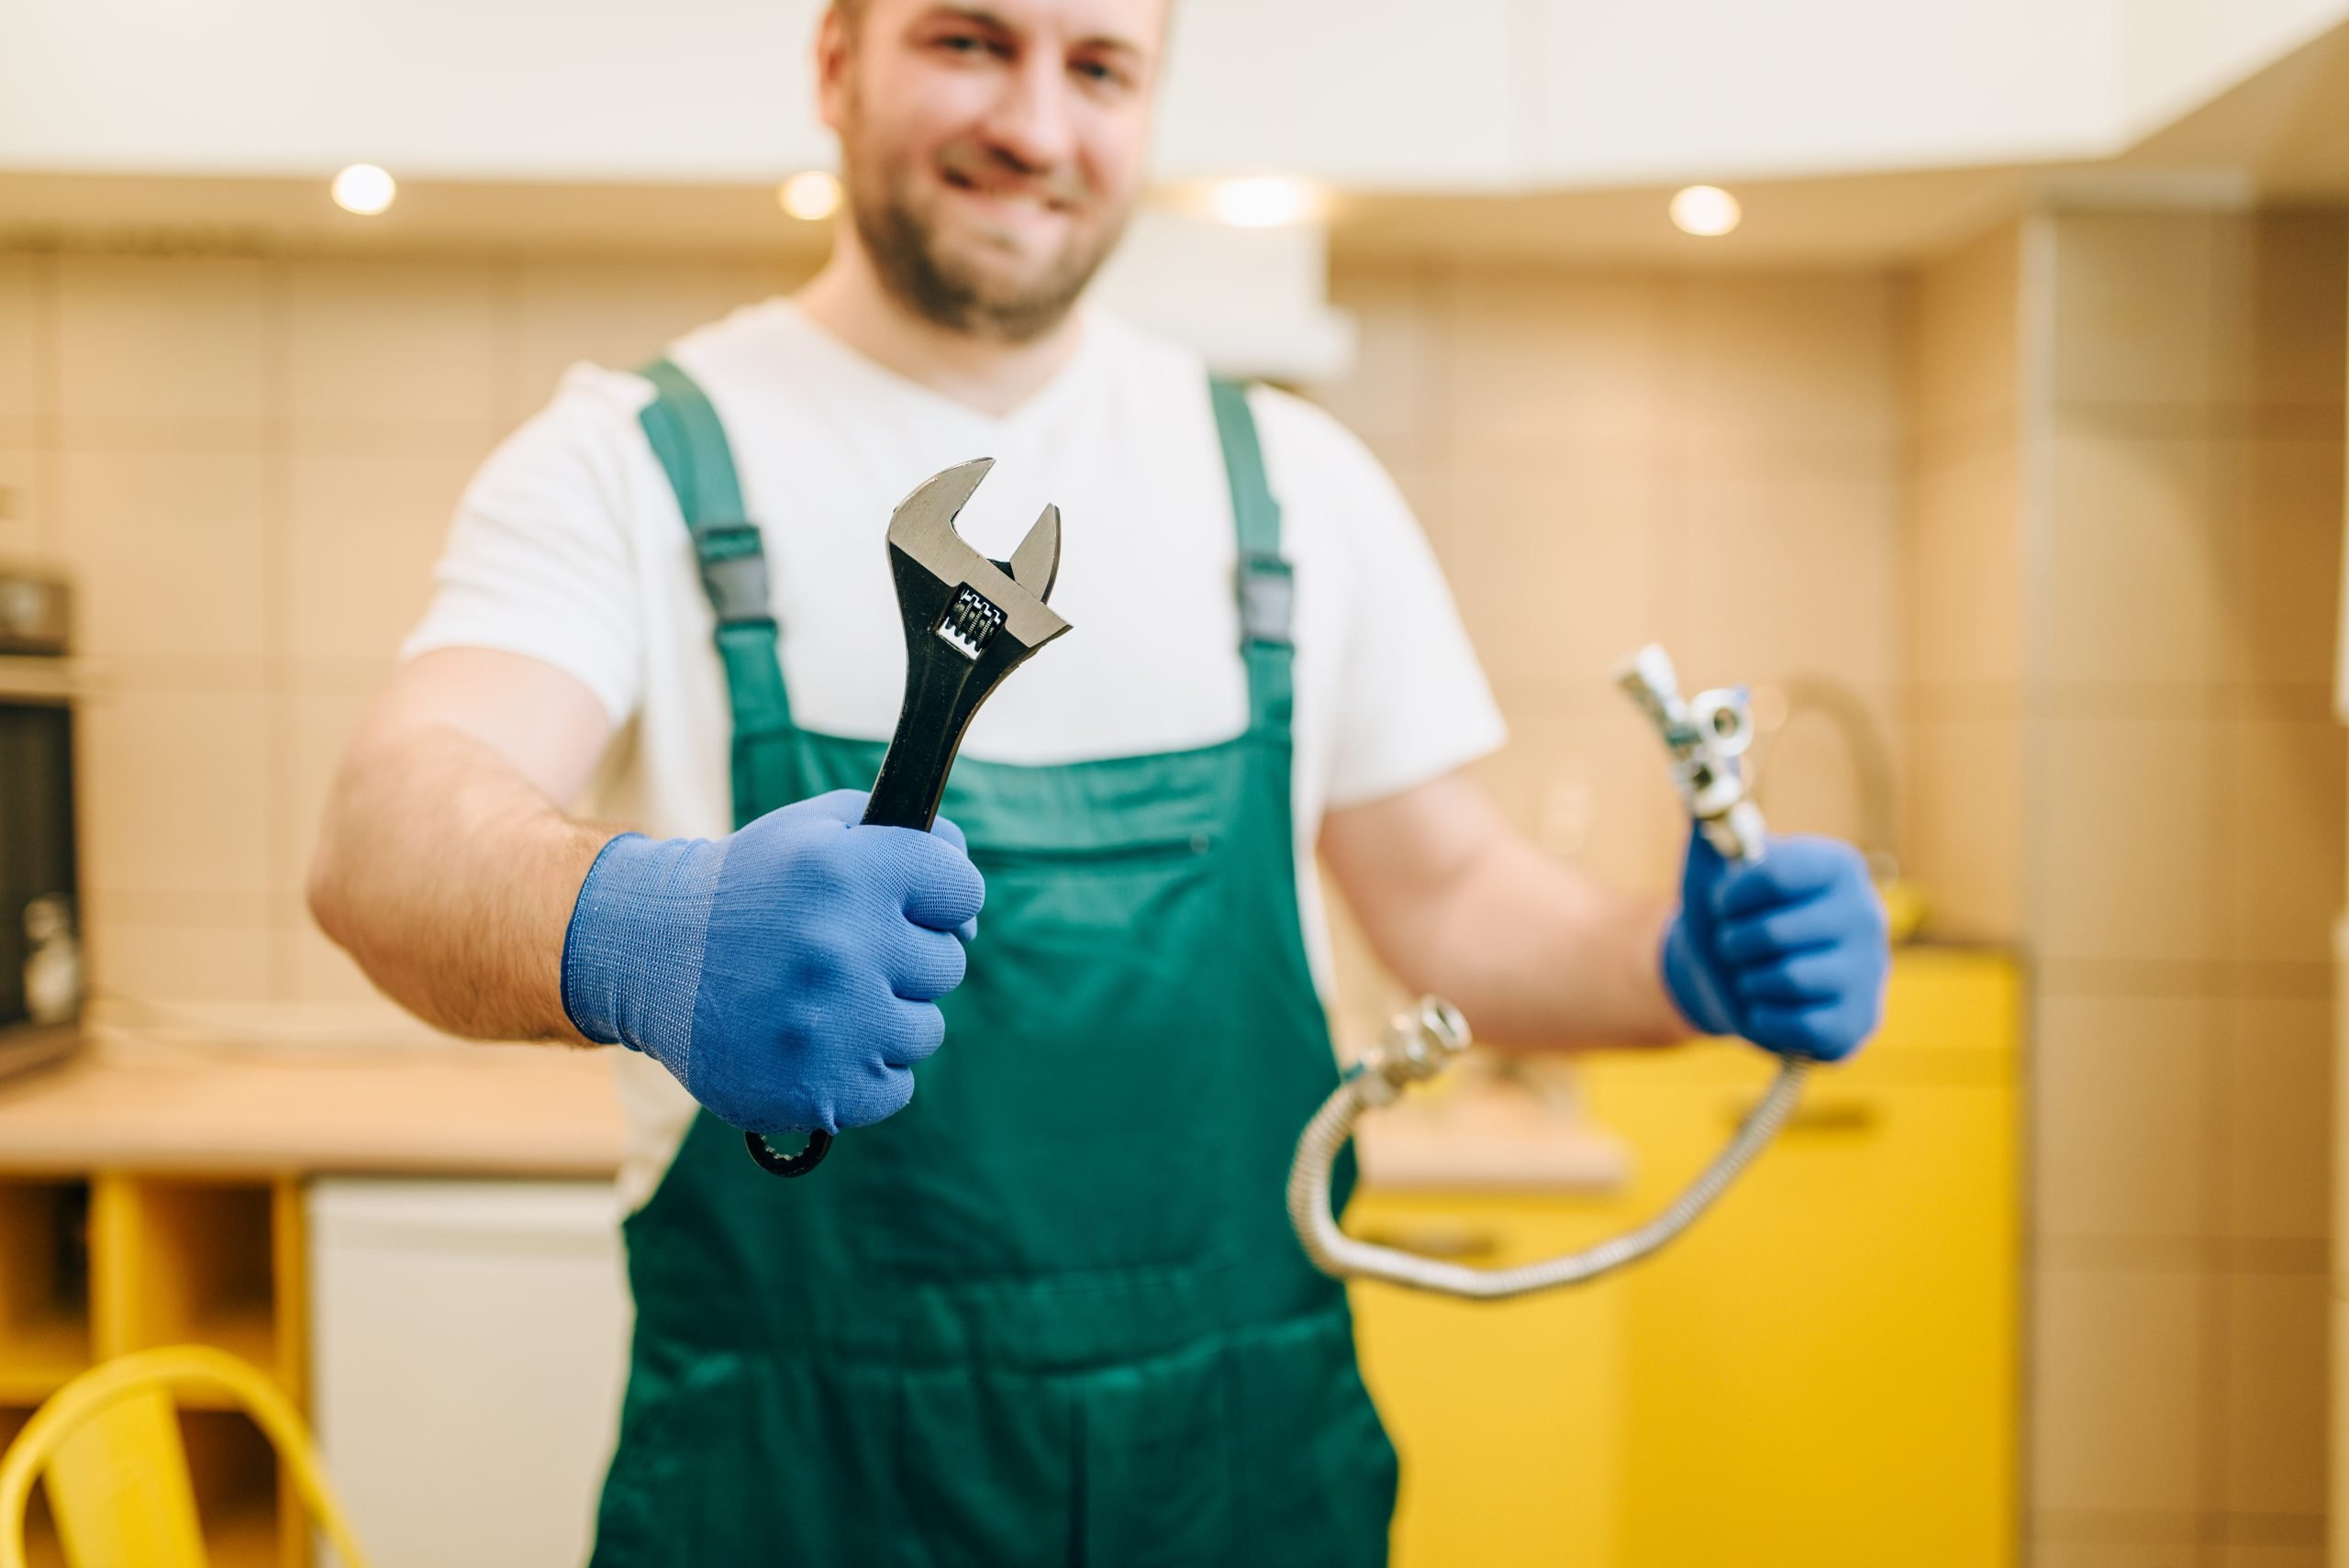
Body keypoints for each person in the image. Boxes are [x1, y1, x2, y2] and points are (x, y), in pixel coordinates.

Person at [306, 0, 1890, 1561]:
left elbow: (1457, 897)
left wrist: (1678, 966)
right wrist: (640, 925)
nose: (1039, 123)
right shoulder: (633, 456)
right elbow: (386, 831)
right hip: (799, 1476)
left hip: (1240, 1475)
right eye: (970, 40)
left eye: (1101, 66)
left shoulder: (1294, 483)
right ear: (837, 61)